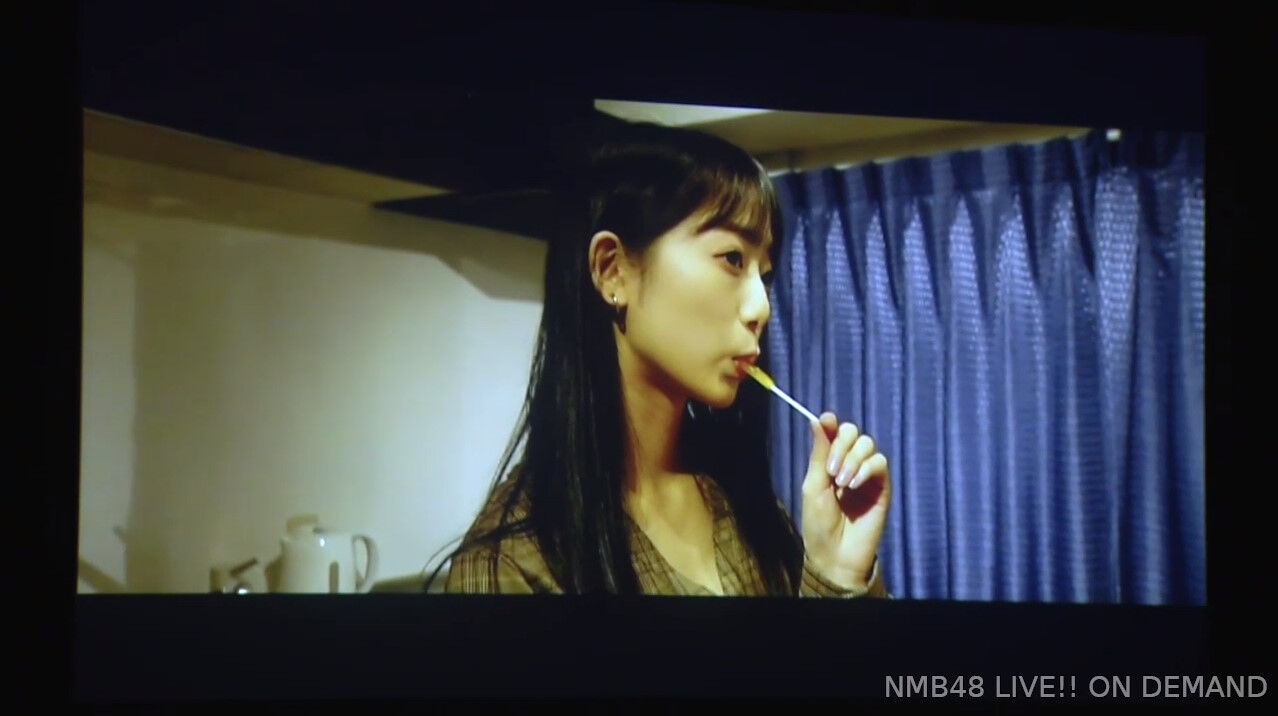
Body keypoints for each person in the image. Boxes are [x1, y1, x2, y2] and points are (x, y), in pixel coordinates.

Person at [428, 119, 891, 596]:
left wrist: (837, 573)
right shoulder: (515, 563)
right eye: (733, 258)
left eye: (765, 275)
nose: (761, 309)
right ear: (612, 271)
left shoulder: (742, 506)